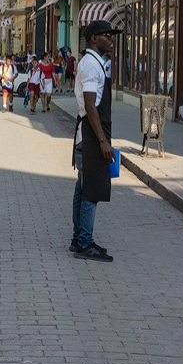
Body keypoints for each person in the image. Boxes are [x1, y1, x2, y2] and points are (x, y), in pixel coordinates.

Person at [70, 21, 121, 263]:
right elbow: (91, 105)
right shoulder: (91, 65)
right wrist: (103, 141)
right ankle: (85, 243)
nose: (111, 39)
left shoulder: (94, 63)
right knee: (91, 190)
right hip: (90, 136)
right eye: (106, 35)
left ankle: (78, 237)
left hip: (88, 134)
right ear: (93, 39)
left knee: (83, 187)